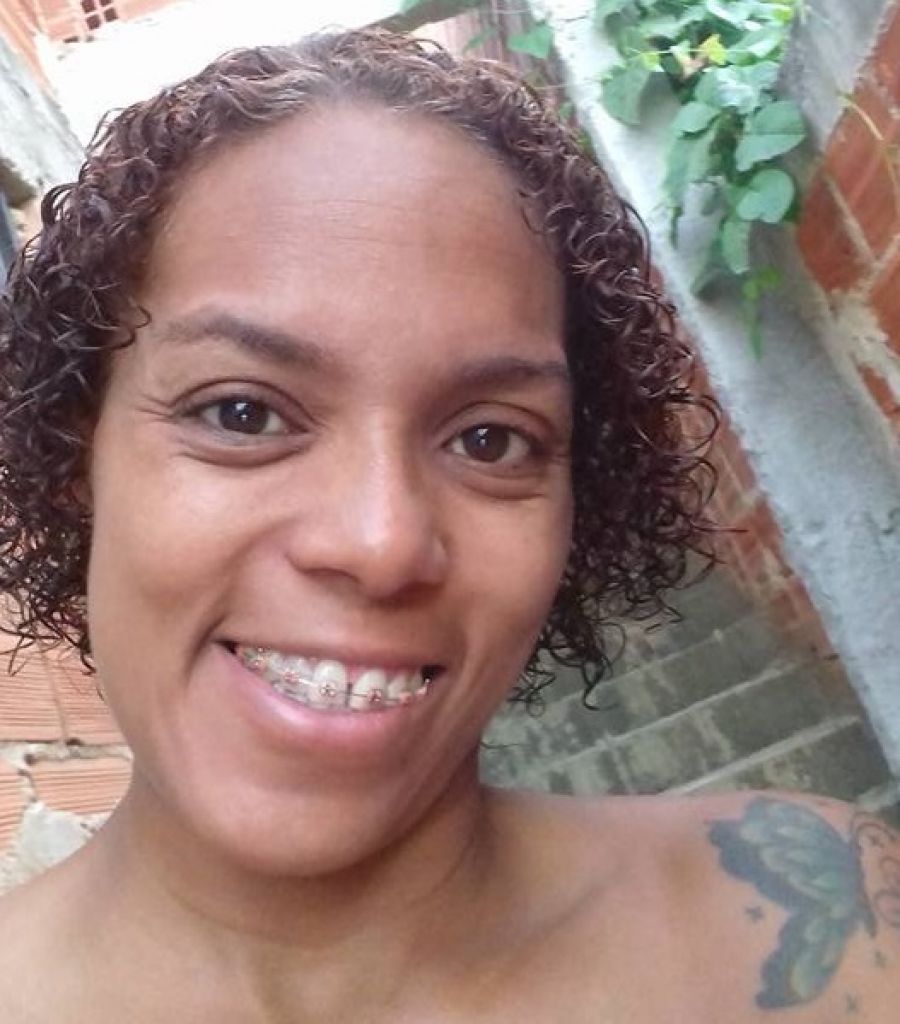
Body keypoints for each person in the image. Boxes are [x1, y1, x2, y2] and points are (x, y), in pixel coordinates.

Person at [0, 27, 897, 1023]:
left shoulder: (822, 924)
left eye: (489, 440)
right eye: (242, 414)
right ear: (80, 456)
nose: (382, 542)